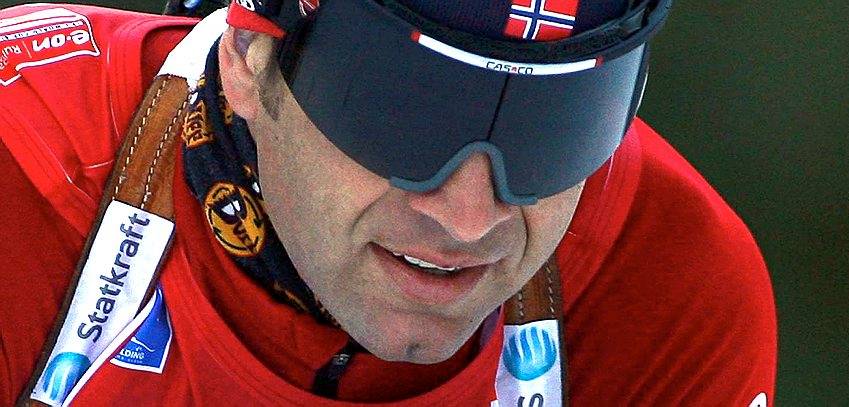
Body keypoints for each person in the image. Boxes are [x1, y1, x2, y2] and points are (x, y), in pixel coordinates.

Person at [0, 0, 777, 405]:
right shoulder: (20, 185)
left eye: (552, 130)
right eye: (402, 114)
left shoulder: (665, 288)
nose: (468, 217)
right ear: (247, 54)